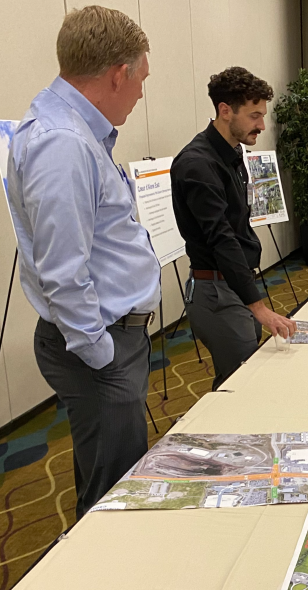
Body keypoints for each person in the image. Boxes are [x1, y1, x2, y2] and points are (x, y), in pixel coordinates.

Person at [5, 6, 160, 519]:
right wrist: (102, 357)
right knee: (113, 498)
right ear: (117, 74)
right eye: (141, 79)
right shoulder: (63, 144)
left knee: (106, 475)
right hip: (98, 346)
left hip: (106, 340)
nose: (141, 93)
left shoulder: (72, 130)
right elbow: (62, 274)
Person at [171, 67, 296, 391]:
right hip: (216, 291)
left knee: (241, 377)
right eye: (254, 116)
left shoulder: (232, 153)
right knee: (239, 386)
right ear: (225, 111)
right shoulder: (198, 164)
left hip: (235, 284)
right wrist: (259, 307)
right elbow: (221, 238)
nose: (262, 125)